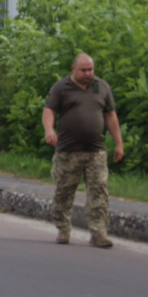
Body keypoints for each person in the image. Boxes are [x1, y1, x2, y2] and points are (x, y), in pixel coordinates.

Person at [42, 53, 124, 248]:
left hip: (96, 151)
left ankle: (98, 233)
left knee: (99, 191)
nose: (88, 73)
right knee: (64, 191)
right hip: (68, 151)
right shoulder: (61, 87)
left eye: (90, 69)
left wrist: (119, 143)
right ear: (74, 69)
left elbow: (110, 115)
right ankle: (63, 229)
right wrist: (49, 130)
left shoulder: (101, 87)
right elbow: (49, 111)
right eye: (83, 70)